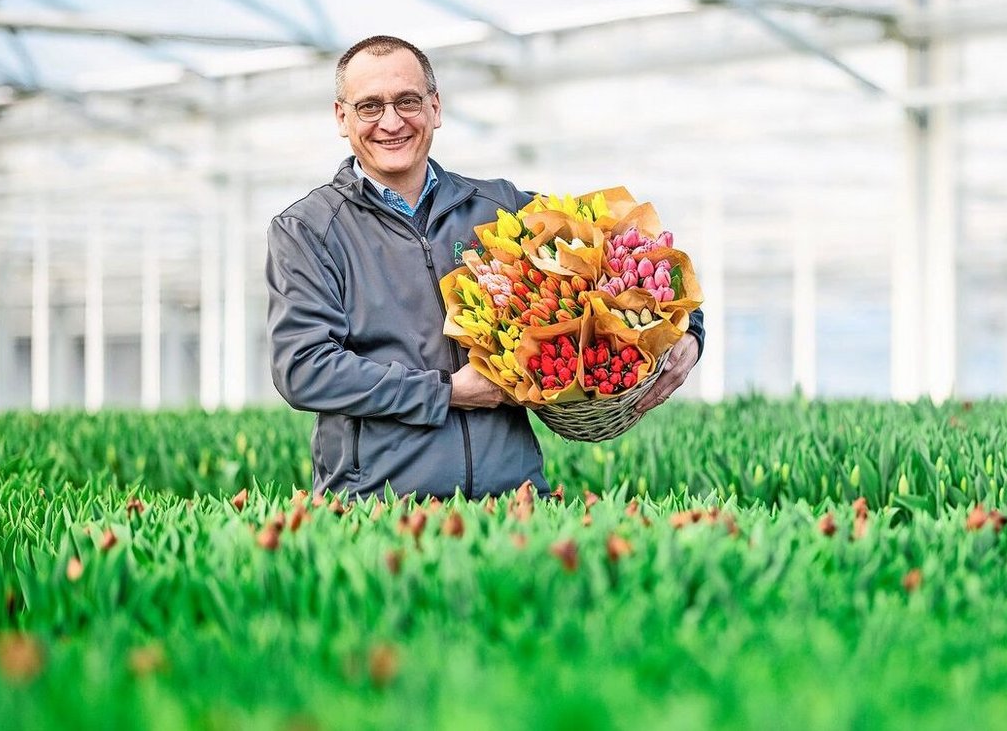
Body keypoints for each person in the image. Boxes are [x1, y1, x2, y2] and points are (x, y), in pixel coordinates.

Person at [265, 35, 704, 500]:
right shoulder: (308, 230)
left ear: (435, 108)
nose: (391, 122)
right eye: (370, 107)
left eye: (407, 101)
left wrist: (691, 330)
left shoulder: (500, 208)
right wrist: (445, 392)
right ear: (342, 117)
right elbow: (303, 368)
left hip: (513, 499)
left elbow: (632, 254)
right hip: (381, 505)